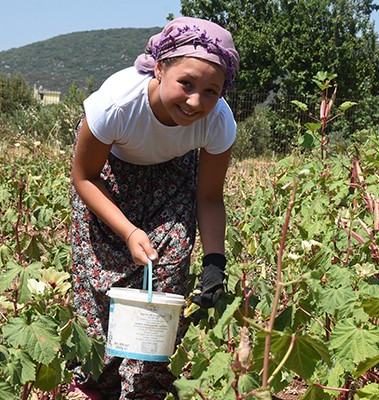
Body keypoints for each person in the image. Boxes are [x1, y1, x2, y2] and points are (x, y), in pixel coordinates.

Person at [69, 16, 240, 400]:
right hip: (107, 178)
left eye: (212, 91)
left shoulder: (219, 123)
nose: (196, 101)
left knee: (166, 272)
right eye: (186, 83)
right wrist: (128, 231)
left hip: (172, 175)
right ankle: (97, 385)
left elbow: (209, 197)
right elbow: (83, 177)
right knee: (101, 282)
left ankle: (147, 389)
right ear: (160, 68)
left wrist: (215, 263)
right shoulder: (115, 105)